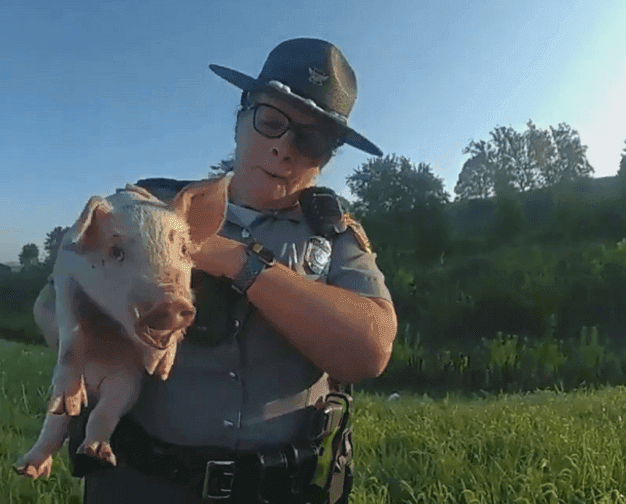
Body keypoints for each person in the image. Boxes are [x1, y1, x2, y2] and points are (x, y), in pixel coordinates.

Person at [75, 38, 397, 503]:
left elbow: (370, 350)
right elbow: (59, 303)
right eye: (271, 122)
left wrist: (231, 259)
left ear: (325, 159)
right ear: (241, 119)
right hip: (140, 483)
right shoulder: (151, 207)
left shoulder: (334, 236)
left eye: (310, 140)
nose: (283, 150)